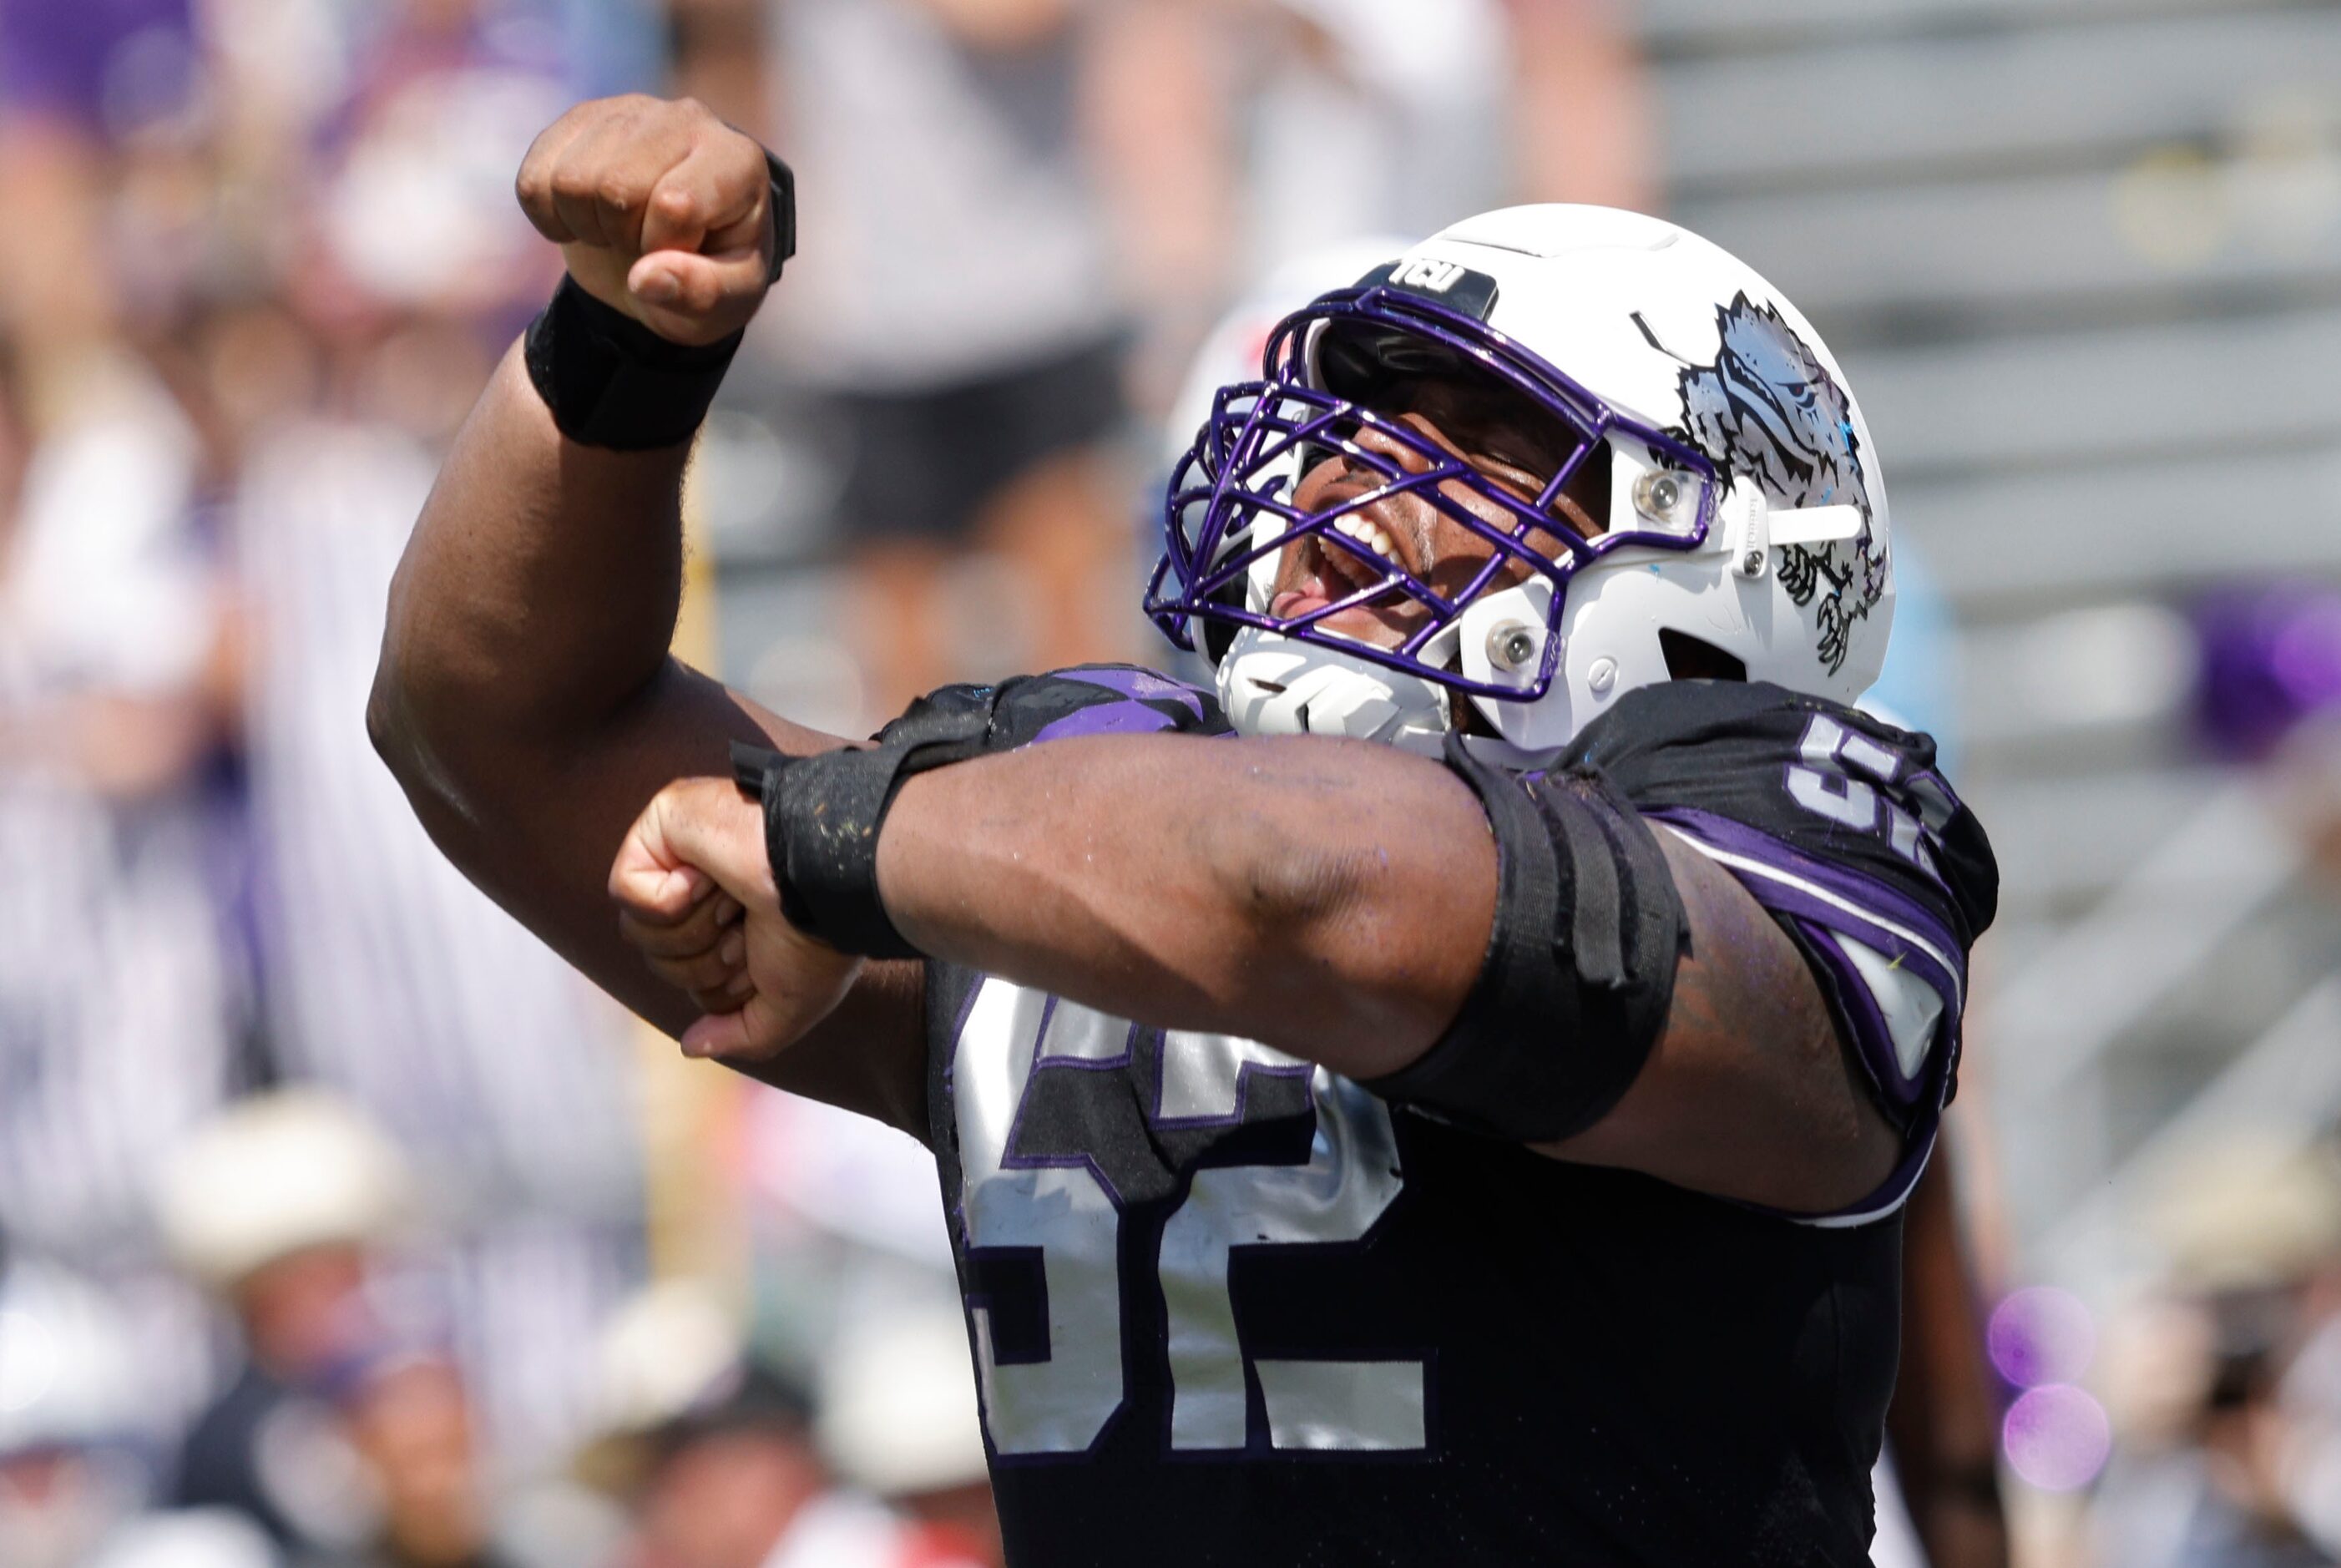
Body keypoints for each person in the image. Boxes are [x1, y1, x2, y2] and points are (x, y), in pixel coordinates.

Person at [371, 96, 1998, 1563]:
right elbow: (500, 738)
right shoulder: (1052, 823)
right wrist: (618, 355)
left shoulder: (1803, 866)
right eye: (1374, 421)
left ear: (1714, 587)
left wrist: (836, 840)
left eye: (1484, 448)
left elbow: (1323, 893)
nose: (1364, 479)